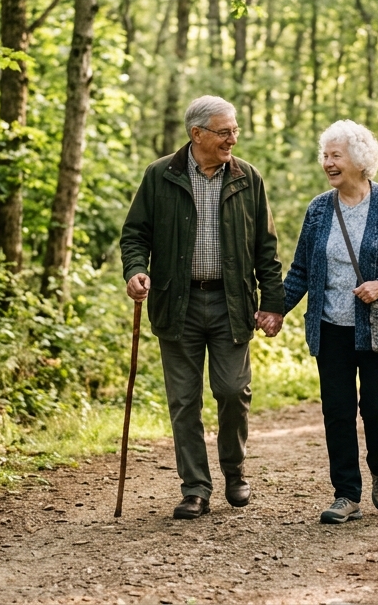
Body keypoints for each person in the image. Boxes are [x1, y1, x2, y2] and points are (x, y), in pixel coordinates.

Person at [120, 96, 286, 520]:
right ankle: (195, 487)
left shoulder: (248, 178)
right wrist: (136, 271)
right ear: (197, 134)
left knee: (233, 391)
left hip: (232, 302)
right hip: (178, 303)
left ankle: (234, 470)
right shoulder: (160, 175)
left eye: (235, 131)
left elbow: (266, 248)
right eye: (224, 132)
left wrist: (273, 303)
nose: (233, 139)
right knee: (183, 400)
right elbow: (135, 234)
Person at [282, 120, 378, 524]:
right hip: (330, 328)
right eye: (325, 155)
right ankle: (346, 494)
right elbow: (300, 270)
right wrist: (274, 309)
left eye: (336, 155)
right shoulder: (318, 209)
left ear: (360, 161)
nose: (327, 163)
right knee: (338, 411)